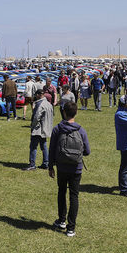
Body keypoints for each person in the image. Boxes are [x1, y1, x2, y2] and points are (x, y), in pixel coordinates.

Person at [49, 102, 90, 238]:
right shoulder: (81, 130)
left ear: (64, 113)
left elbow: (52, 149)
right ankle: (71, 228)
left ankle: (61, 220)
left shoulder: (57, 129)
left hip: (61, 167)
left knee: (61, 192)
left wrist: (50, 166)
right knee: (74, 195)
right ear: (76, 113)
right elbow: (87, 151)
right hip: (76, 168)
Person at [25, 89, 53, 170]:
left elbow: (36, 117)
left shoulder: (39, 104)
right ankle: (46, 163)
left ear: (38, 95)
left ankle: (32, 164)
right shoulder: (48, 104)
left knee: (33, 146)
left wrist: (33, 126)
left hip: (38, 129)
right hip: (45, 128)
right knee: (44, 146)